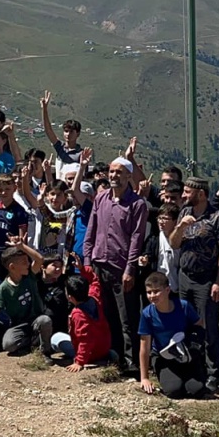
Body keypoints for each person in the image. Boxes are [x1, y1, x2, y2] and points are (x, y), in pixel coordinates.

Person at [84, 157, 150, 375]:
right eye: (111, 171)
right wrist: (87, 260)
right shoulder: (101, 198)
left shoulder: (137, 204)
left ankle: (132, 363)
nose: (113, 176)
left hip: (121, 269)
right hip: (99, 265)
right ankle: (115, 356)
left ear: (128, 175)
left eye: (119, 172)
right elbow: (91, 231)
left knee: (127, 318)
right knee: (108, 314)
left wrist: (130, 269)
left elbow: (136, 239)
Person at [169, 176, 219, 382]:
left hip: (206, 280)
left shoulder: (218, 217)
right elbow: (174, 244)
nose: (184, 195)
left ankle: (214, 373)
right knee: (185, 323)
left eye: (188, 192)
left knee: (209, 326)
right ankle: (192, 367)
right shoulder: (185, 212)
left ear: (201, 194)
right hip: (185, 276)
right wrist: (180, 227)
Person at [0, 239, 52, 356]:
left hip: (36, 319)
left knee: (45, 320)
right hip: (19, 325)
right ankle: (32, 342)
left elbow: (39, 259)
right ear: (12, 267)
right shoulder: (3, 288)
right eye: (24, 262)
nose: (28, 264)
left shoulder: (29, 276)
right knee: (8, 345)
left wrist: (22, 246)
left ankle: (45, 351)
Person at [137, 270, 205, 398]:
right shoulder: (147, 314)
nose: (152, 296)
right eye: (149, 292)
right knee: (173, 391)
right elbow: (144, 347)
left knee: (196, 391)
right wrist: (144, 378)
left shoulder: (184, 306)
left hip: (186, 354)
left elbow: (199, 325)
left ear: (167, 290)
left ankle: (196, 372)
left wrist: (193, 343)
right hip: (163, 357)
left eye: (156, 291)